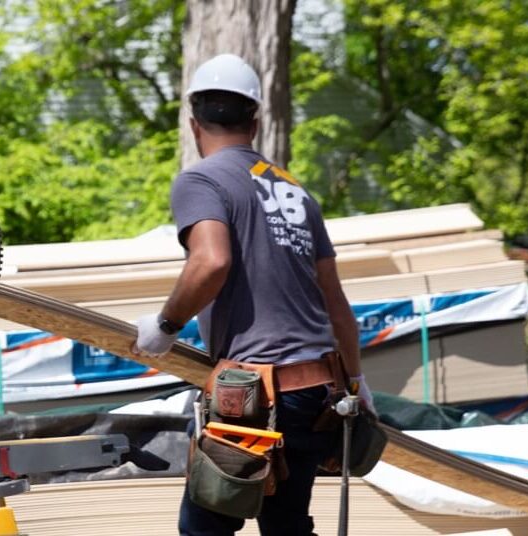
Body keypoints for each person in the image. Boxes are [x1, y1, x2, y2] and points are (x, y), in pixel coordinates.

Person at [131, 53, 375, 536]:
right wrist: (355, 379)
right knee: (286, 525)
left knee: (204, 529)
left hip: (254, 399)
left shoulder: (200, 179)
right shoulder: (297, 193)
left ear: (193, 119)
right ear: (256, 119)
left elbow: (211, 261)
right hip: (314, 393)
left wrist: (164, 327)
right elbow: (335, 302)